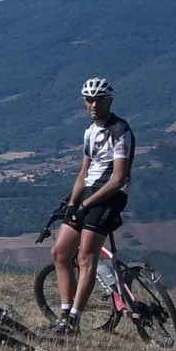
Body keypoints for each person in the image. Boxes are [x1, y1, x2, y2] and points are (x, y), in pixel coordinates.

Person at [43, 77, 134, 336]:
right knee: (60, 252)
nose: (93, 104)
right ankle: (64, 314)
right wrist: (73, 204)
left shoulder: (120, 130)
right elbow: (83, 171)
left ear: (110, 101)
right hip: (87, 196)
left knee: (85, 257)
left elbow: (119, 178)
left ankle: (74, 322)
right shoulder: (89, 131)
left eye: (99, 99)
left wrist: (86, 204)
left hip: (110, 197)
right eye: (89, 99)